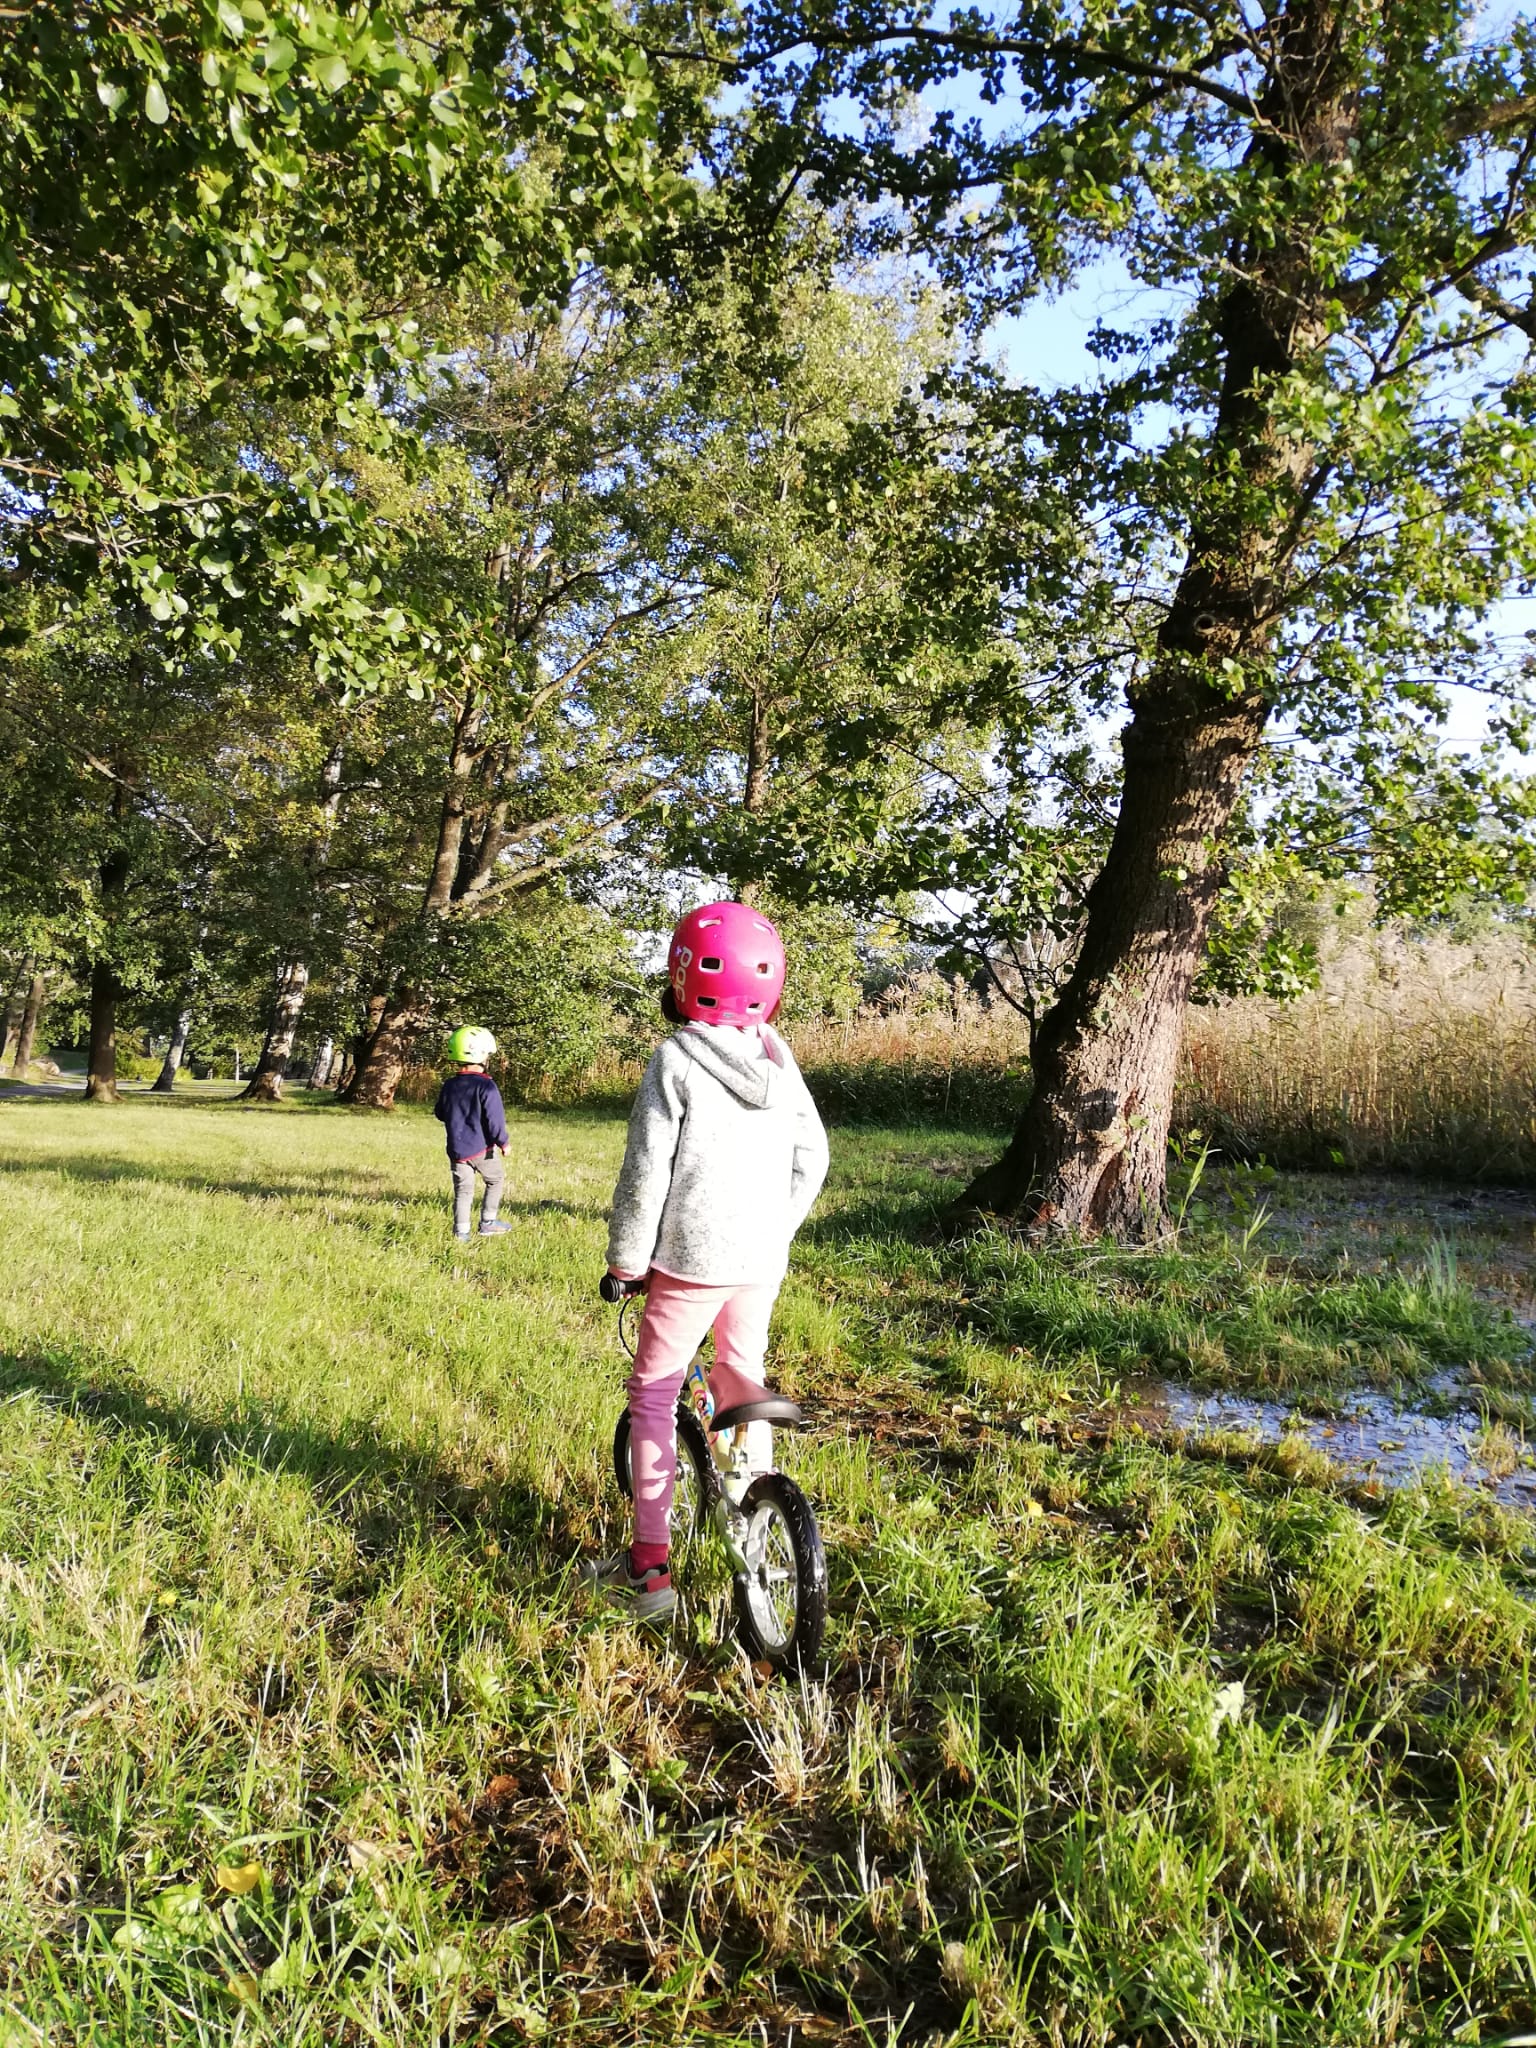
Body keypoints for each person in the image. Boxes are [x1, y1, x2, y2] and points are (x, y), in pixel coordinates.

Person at [584, 901, 829, 1623]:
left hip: (690, 1264)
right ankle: (754, 1493)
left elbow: (644, 1175)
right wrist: (771, 1228)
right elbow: (812, 1160)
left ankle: (649, 1572)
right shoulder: (778, 1061)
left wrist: (626, 1262)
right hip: (761, 1261)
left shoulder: (675, 1061)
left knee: (655, 1395)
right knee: (740, 1374)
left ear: (681, 978)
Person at [433, 1026, 512, 1242]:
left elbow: (440, 1113)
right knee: (495, 1179)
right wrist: (503, 1142)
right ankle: (488, 1222)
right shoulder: (487, 1087)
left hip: (456, 1151)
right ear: (481, 1055)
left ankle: (461, 1233)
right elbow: (494, 1120)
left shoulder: (449, 1085)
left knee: (463, 1191)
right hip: (482, 1149)